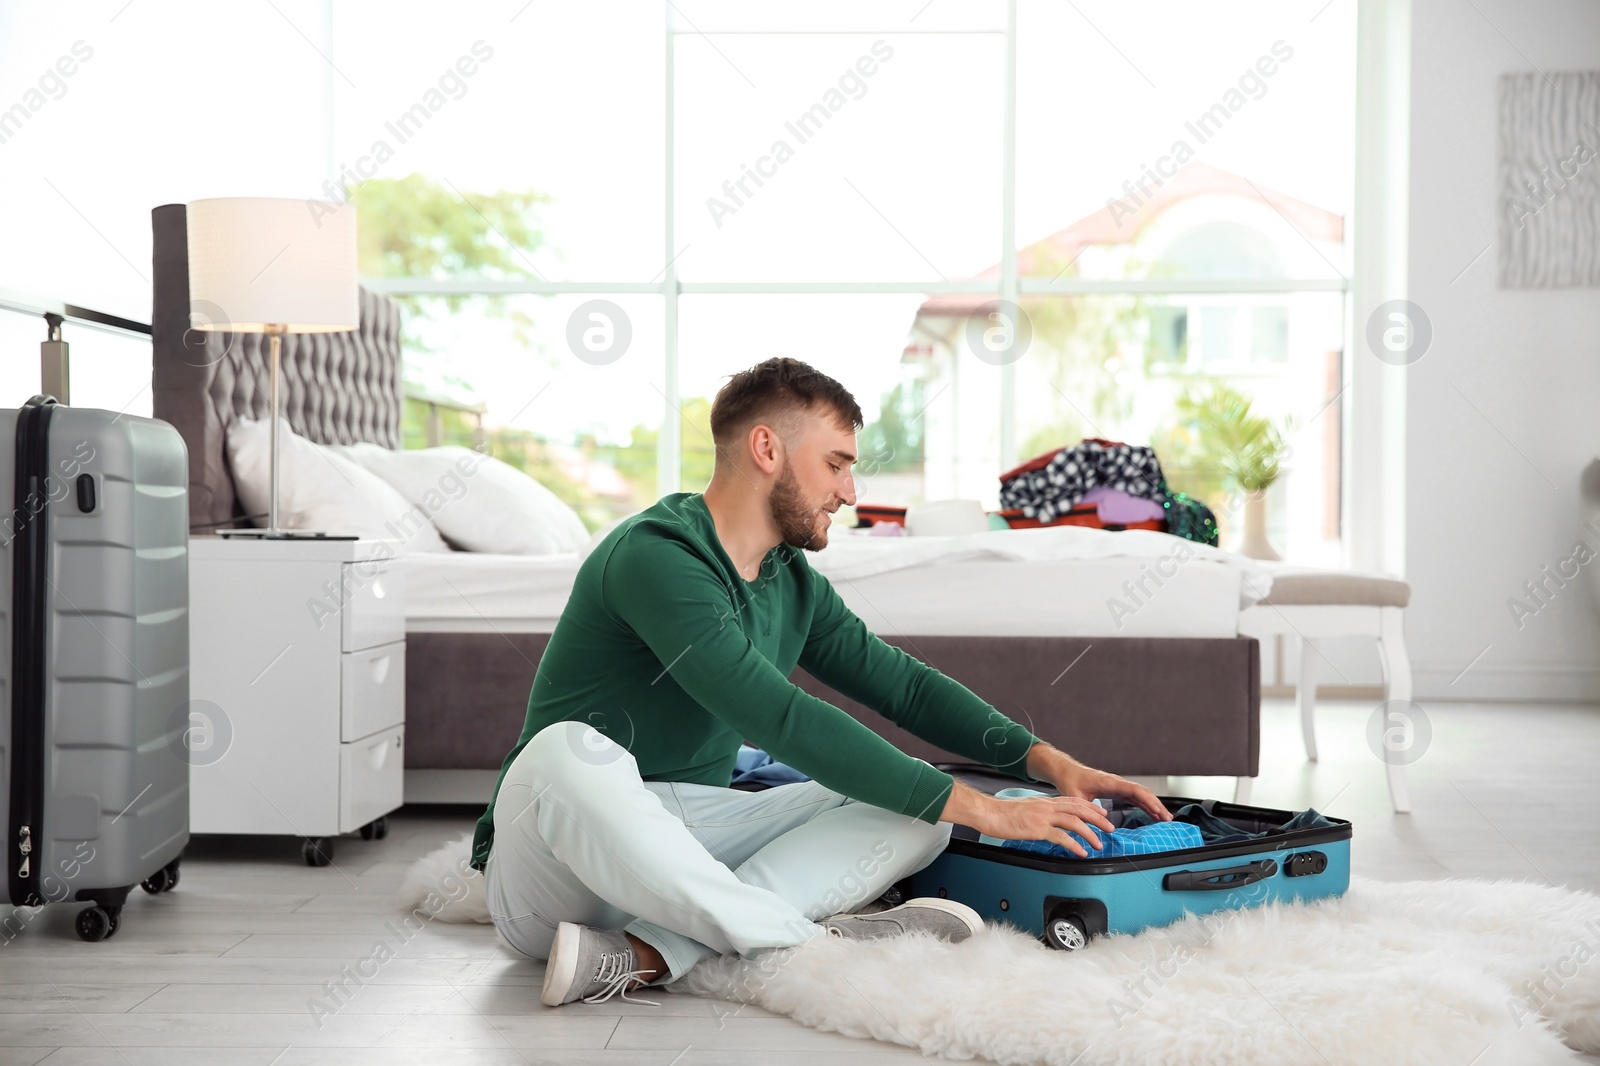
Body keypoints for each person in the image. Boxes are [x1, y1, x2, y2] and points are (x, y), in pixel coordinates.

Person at [472, 357, 1172, 1008]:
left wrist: (1049, 764)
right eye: (836, 464)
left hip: (676, 853)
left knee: (923, 810)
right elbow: (777, 715)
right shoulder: (655, 557)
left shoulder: (791, 581)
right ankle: (809, 946)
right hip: (552, 870)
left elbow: (903, 686)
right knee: (566, 751)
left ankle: (647, 952)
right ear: (767, 449)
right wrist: (995, 814)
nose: (850, 491)